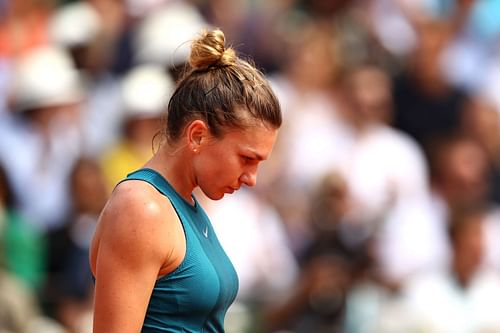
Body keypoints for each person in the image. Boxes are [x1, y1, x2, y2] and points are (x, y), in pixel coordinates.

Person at [89, 28, 282, 333]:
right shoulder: (141, 209)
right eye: (247, 158)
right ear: (197, 135)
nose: (252, 179)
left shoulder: (185, 206)